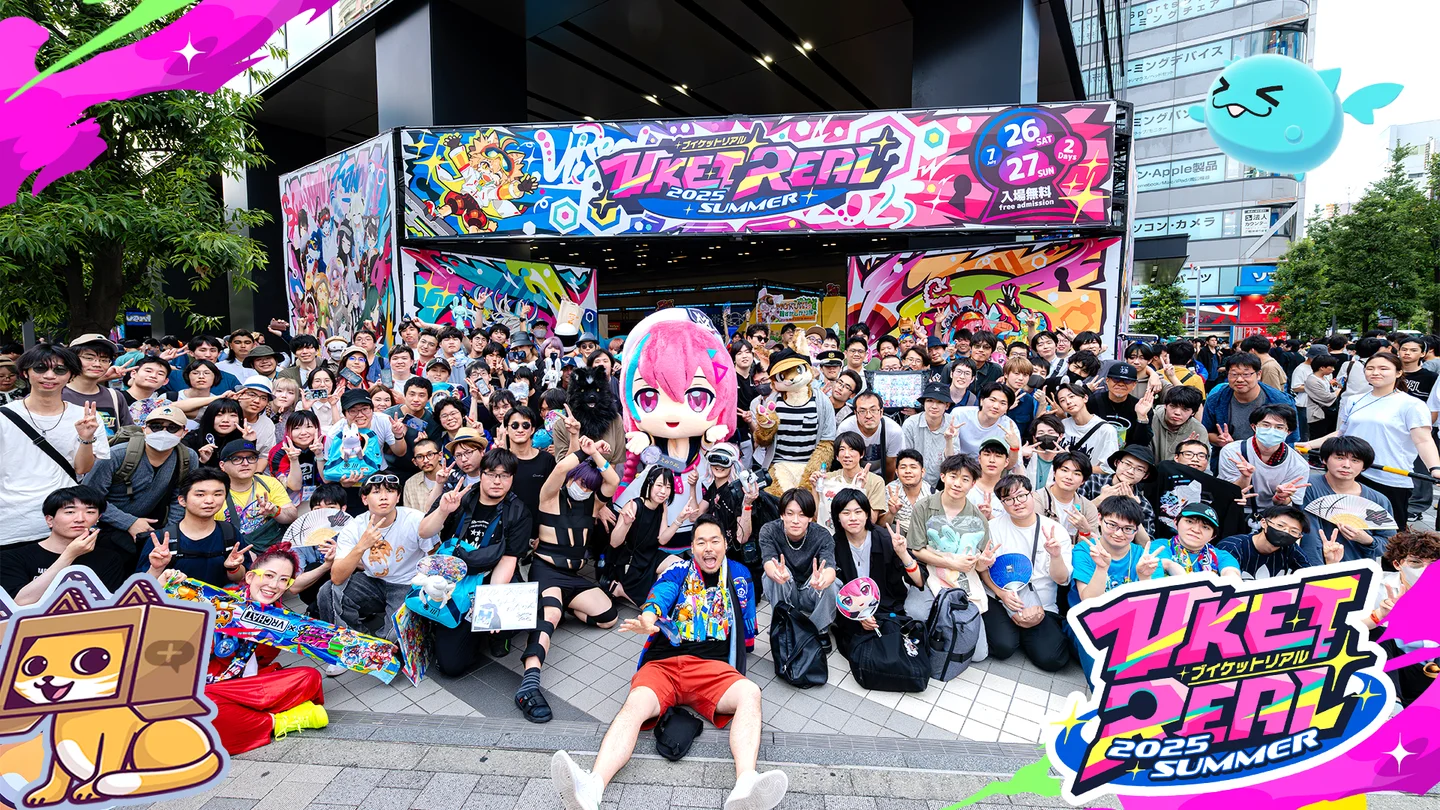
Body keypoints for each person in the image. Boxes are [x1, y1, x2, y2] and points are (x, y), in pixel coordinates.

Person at [551, 516, 783, 810]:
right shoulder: (679, 570)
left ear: (725, 544)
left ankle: (746, 784)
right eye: (701, 542)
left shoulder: (739, 576)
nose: (708, 548)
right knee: (634, 706)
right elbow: (660, 595)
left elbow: (747, 630)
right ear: (692, 547)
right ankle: (592, 787)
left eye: (715, 541)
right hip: (664, 665)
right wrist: (649, 618)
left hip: (711, 670)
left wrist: (742, 647)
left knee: (750, 693)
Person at [159, 542, 329, 755]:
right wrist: (165, 586)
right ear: (250, 577)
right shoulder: (220, 602)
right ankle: (277, 721)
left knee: (310, 677)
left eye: (283, 580)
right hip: (212, 684)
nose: (274, 585)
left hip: (251, 685)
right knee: (203, 702)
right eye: (269, 575)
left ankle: (239, 716)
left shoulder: (281, 618)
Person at [517, 434, 621, 723]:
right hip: (546, 570)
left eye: (589, 486)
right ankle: (529, 683)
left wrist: (598, 457)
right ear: (572, 479)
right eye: (581, 483)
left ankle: (564, 606)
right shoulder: (550, 496)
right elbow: (561, 468)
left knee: (608, 616)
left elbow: (612, 481)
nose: (583, 489)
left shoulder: (593, 504)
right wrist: (586, 451)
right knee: (549, 616)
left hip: (572, 576)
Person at [418, 448, 534, 676]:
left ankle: (499, 635)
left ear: (512, 478)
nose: (497, 481)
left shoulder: (518, 512)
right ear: (481, 474)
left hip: (489, 576)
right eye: (491, 474)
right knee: (450, 665)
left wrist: (491, 607)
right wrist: (443, 511)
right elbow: (424, 532)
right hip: (452, 577)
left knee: (506, 612)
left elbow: (508, 560)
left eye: (505, 475)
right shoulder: (459, 497)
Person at [1309, 352, 1440, 530]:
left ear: (1399, 372)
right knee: (1345, 526)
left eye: (1383, 368)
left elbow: (1423, 440)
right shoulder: (1354, 400)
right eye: (1370, 368)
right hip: (1352, 474)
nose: (1375, 372)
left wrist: (1435, 468)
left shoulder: (1412, 405)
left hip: (1390, 477)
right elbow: (1342, 433)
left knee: (1389, 534)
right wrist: (1310, 444)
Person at [0, 344, 106, 547]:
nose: (49, 376)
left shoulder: (87, 417)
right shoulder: (4, 417)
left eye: (60, 370)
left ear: (71, 375)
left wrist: (86, 438)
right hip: (12, 524)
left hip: (64, 523)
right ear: (25, 372)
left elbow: (82, 469)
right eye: (40, 368)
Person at [81, 404, 198, 585]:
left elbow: (180, 498)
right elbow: (88, 498)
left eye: (172, 428)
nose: (163, 433)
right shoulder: (117, 455)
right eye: (156, 427)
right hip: (107, 529)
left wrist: (168, 533)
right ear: (144, 429)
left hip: (154, 531)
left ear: (184, 432)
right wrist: (129, 522)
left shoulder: (188, 457)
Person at [325, 473, 437, 643]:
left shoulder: (415, 519)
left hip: (407, 583)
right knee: (328, 591)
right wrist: (362, 545)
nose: (384, 497)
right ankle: (356, 642)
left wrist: (425, 589)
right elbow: (337, 577)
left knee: (393, 637)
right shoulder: (354, 526)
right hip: (372, 582)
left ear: (398, 497)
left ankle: (384, 642)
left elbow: (434, 555)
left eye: (390, 491)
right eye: (376, 492)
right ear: (364, 499)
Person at [979, 474, 1071, 672]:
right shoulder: (992, 528)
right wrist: (1001, 594)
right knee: (1003, 647)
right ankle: (1013, 630)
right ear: (1002, 503)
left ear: (1032, 495)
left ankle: (1021, 631)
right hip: (1000, 598)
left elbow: (1062, 579)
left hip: (1041, 603)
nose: (1017, 503)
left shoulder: (1055, 531)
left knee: (1052, 659)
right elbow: (983, 570)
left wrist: (1055, 555)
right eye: (1009, 499)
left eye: (1021, 495)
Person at [1066, 495, 1160, 679]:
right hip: (1086, 625)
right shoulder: (1085, 551)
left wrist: (1145, 578)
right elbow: (1089, 602)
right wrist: (1101, 568)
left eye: (1127, 529)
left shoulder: (1144, 557)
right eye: (1112, 525)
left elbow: (1153, 608)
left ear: (1136, 530)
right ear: (1100, 519)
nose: (1118, 533)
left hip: (1131, 629)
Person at [830, 489, 925, 655]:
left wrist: (903, 553)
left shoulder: (885, 539)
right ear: (837, 517)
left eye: (858, 512)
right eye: (846, 513)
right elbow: (841, 591)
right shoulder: (835, 544)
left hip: (884, 605)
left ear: (867, 514)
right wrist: (860, 615)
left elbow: (919, 581)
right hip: (853, 609)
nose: (853, 518)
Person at [906, 453, 993, 622]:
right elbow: (917, 550)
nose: (957, 484)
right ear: (943, 477)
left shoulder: (978, 518)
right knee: (917, 613)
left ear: (973, 484)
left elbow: (979, 563)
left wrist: (983, 562)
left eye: (965, 479)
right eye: (953, 476)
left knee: (968, 620)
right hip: (927, 575)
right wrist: (951, 563)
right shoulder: (923, 507)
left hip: (963, 579)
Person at [1362, 529, 1440, 707]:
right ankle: (1391, 705)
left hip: (1429, 667)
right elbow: (1347, 627)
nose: (1425, 570)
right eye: (1415, 563)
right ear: (1398, 564)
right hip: (1389, 664)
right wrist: (1379, 615)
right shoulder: (1376, 586)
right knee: (1378, 633)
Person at [139, 467, 246, 586]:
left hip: (220, 598)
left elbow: (242, 579)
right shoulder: (161, 539)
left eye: (217, 494)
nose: (209, 500)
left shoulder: (229, 533)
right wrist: (156, 569)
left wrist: (234, 568)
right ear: (182, 500)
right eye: (200, 494)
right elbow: (141, 588)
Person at [1, 487, 109, 604]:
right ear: (49, 520)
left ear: (98, 518)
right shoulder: (12, 557)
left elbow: (108, 606)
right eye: (70, 512)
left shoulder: (109, 559)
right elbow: (19, 603)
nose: (80, 519)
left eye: (90, 512)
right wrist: (69, 555)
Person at [1299, 436, 1394, 564]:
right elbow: (1308, 535)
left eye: (1355, 460)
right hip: (1312, 566)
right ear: (1324, 459)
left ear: (1364, 466)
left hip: (1356, 568)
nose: (1346, 465)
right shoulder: (1307, 486)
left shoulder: (1378, 500)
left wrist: (1367, 540)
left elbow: (1389, 544)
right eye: (1340, 458)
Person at [758, 488, 839, 635]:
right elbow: (768, 561)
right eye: (790, 514)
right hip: (786, 588)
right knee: (772, 576)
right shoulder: (769, 531)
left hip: (811, 591)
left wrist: (822, 580)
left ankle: (816, 630)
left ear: (810, 517)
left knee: (833, 584)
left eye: (802, 515)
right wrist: (777, 573)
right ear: (782, 515)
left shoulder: (822, 535)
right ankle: (783, 625)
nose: (795, 520)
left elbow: (830, 569)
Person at [608, 466, 685, 606]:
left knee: (680, 565)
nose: (663, 491)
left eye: (668, 487)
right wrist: (626, 524)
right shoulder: (634, 506)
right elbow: (614, 543)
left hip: (650, 555)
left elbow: (662, 539)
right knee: (651, 606)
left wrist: (679, 519)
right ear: (650, 484)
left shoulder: (662, 507)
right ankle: (620, 589)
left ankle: (655, 587)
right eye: (659, 485)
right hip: (630, 561)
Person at [1217, 404, 1310, 510]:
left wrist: (1281, 497)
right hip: (1235, 507)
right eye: (1266, 425)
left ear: (1288, 432)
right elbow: (1228, 493)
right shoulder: (1232, 452)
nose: (1271, 431)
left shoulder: (1298, 464)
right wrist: (1245, 477)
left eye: (1279, 427)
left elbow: (1286, 504)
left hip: (1272, 513)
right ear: (1254, 427)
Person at [215, 439, 297, 549]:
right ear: (222, 465)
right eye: (236, 459)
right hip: (228, 550)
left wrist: (275, 511)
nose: (245, 463)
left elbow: (292, 515)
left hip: (268, 549)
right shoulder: (214, 491)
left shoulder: (269, 483)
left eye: (251, 458)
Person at [1203, 353, 1298, 448]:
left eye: (1246, 374)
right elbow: (1206, 432)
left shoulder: (1281, 401)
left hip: (1270, 455)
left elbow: (1292, 440)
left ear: (1258, 375)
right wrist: (1220, 440)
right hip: (1228, 454)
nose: (1239, 379)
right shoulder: (1216, 400)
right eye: (1234, 374)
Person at [810, 431, 888, 531]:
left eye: (852, 449)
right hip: (831, 533)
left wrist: (860, 490)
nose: (847, 454)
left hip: (859, 535)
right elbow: (818, 516)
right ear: (837, 456)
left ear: (862, 454)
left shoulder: (876, 481)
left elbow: (871, 520)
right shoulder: (828, 478)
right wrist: (814, 488)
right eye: (842, 449)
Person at [1214, 504, 1315, 579]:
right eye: (1280, 525)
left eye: (1293, 531)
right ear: (1263, 523)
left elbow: (1310, 577)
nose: (1285, 532)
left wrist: (1327, 560)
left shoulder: (1291, 549)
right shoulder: (1233, 546)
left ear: (1299, 536)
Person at [1079, 446, 1157, 540]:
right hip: (1084, 541)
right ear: (1117, 462)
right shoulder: (1092, 481)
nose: (1130, 471)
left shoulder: (1144, 504)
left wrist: (1134, 509)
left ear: (1145, 475)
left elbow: (1146, 544)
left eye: (1139, 469)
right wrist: (1100, 499)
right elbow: (1070, 513)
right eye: (1127, 464)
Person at [499, 404, 556, 528]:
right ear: (506, 430)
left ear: (533, 429)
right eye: (515, 425)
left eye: (525, 425)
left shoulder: (547, 460)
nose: (520, 430)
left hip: (541, 529)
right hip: (508, 530)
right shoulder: (500, 461)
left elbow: (554, 498)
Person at [62, 334, 131, 438]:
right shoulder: (56, 395)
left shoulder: (115, 396)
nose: (97, 364)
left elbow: (128, 434)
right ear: (72, 359)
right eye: (89, 358)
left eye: (104, 360)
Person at [1150, 502, 1239, 578]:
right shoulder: (1160, 546)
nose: (1196, 530)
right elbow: (1167, 564)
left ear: (1213, 536)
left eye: (1205, 527)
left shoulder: (1222, 556)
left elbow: (1231, 573)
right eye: (1190, 521)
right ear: (1176, 522)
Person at [902, 382, 961, 487]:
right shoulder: (910, 424)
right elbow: (905, 459)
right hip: (913, 479)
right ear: (924, 403)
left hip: (942, 480)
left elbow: (952, 463)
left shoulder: (952, 423)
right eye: (930, 401)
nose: (934, 406)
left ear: (947, 406)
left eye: (940, 402)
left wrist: (949, 440)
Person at [836, 391, 904, 481]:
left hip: (881, 476)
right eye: (862, 411)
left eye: (873, 410)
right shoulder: (846, 428)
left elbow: (891, 464)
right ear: (856, 413)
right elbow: (843, 460)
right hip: (853, 475)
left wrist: (885, 485)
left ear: (881, 412)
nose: (868, 416)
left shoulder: (893, 431)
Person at [951, 382, 1022, 466]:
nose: (996, 406)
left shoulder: (1009, 426)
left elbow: (1010, 465)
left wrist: (1014, 447)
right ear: (981, 401)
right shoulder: (959, 414)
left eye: (1003, 403)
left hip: (990, 469)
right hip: (959, 465)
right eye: (992, 400)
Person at [1088, 362, 1155, 450]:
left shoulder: (1141, 407)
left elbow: (1142, 444)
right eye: (1116, 379)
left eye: (1127, 381)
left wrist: (1142, 418)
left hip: (1126, 455)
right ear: (1107, 380)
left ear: (1134, 385)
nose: (1121, 384)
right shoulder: (1092, 402)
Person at [1056, 383, 1119, 472]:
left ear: (1085, 398)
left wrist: (1077, 469)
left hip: (1088, 479)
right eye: (1062, 400)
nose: (1068, 402)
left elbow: (1109, 468)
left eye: (1072, 396)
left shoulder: (1106, 430)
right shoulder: (1062, 425)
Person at [1149, 385, 1209, 463]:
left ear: (1193, 412)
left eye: (1185, 409)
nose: (1177, 413)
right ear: (1165, 405)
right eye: (1173, 406)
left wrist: (1183, 451)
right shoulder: (1150, 419)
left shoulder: (1198, 430)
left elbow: (1203, 464)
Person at [882, 449, 931, 537]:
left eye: (913, 467)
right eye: (903, 467)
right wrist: (891, 513)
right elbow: (881, 525)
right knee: (891, 529)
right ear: (897, 472)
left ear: (922, 472)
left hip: (924, 535)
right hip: (899, 535)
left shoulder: (932, 493)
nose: (908, 471)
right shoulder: (890, 490)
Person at [1021, 414, 1066, 489]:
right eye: (1041, 433)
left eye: (1051, 432)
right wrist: (1018, 455)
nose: (1046, 436)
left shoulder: (1065, 461)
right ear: (1035, 438)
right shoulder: (1025, 458)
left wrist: (1067, 460)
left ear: (1060, 436)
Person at [1305, 354, 1341, 438]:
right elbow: (1326, 397)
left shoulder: (1324, 378)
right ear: (1322, 367)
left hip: (1327, 414)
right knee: (1318, 438)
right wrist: (1339, 390)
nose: (1333, 369)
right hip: (1318, 415)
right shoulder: (1312, 381)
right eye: (1331, 367)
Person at [403, 438, 445, 509]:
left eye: (430, 455)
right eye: (420, 457)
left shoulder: (454, 477)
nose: (425, 460)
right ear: (415, 462)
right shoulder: (410, 483)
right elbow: (408, 513)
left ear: (440, 456)